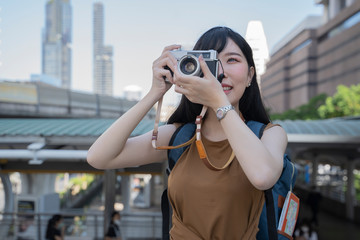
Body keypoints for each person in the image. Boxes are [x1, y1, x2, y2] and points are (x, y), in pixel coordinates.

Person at [87, 26, 287, 239]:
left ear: (250, 76)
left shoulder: (269, 135)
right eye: (209, 61)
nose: (219, 72)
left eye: (232, 60)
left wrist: (217, 99)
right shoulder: (180, 137)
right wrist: (155, 92)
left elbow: (263, 177)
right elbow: (99, 157)